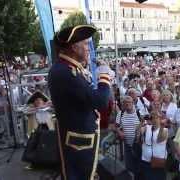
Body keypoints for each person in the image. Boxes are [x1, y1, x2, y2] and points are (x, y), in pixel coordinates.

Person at [48, 25, 111, 180]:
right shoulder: (66, 72)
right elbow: (101, 101)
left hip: (78, 139)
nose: (88, 48)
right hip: (77, 143)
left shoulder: (67, 68)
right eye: (85, 44)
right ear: (74, 48)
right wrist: (104, 74)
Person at [115, 96, 142, 180]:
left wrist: (140, 132)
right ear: (123, 104)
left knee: (139, 165)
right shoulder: (121, 113)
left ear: (133, 103)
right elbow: (115, 126)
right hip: (127, 144)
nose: (127, 104)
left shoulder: (139, 112)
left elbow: (146, 124)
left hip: (138, 144)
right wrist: (119, 132)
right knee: (129, 165)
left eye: (129, 102)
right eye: (125, 102)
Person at [140, 111, 168, 180]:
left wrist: (161, 127)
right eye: (153, 117)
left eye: (157, 117)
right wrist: (141, 123)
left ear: (160, 118)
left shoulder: (165, 130)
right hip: (146, 161)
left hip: (158, 162)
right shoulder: (147, 127)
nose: (155, 119)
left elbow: (159, 139)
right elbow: (139, 133)